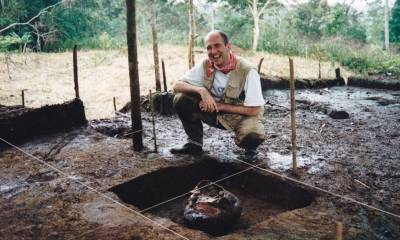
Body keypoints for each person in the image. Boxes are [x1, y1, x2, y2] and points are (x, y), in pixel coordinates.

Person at [170, 30, 265, 161]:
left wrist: (220, 106)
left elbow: (255, 109)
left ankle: (250, 150)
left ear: (228, 47)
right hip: (213, 113)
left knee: (252, 133)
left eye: (217, 45)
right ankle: (194, 143)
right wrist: (201, 91)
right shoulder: (206, 65)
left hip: (240, 117)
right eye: (209, 47)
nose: (213, 52)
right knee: (181, 99)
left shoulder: (247, 70)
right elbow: (177, 85)